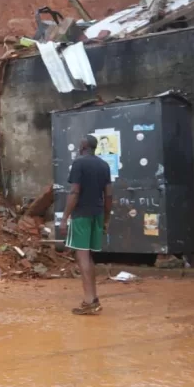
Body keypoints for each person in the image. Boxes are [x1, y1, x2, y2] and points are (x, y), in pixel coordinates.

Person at [60, 135, 113, 315]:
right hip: (97, 213)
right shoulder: (104, 165)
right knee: (88, 256)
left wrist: (64, 217)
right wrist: (106, 218)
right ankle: (93, 299)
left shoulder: (79, 163)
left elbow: (74, 191)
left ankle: (89, 301)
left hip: (81, 214)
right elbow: (109, 195)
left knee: (82, 257)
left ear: (83, 146)